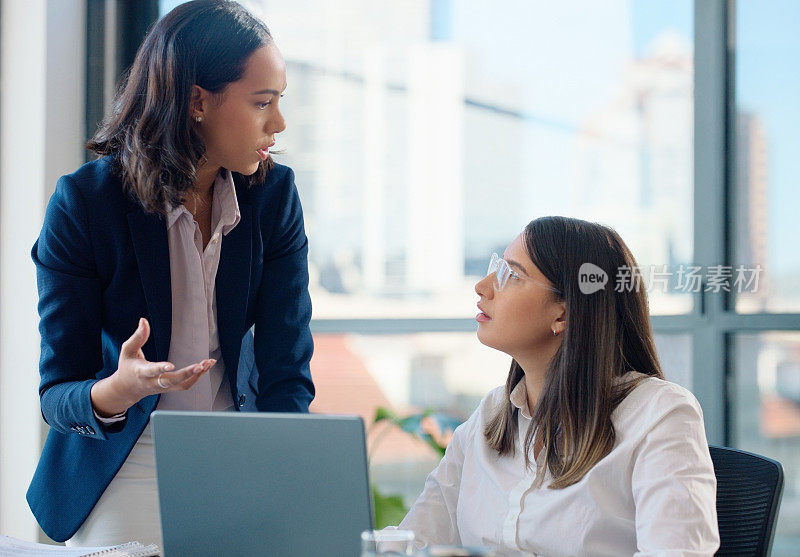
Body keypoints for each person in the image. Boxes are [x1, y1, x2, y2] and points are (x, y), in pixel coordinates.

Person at [26, 0, 314, 547]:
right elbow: (57, 391)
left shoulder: (273, 197)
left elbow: (286, 370)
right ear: (197, 101)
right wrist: (116, 390)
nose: (278, 123)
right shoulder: (85, 204)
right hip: (122, 458)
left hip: (236, 451)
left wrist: (282, 482)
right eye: (262, 103)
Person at [396, 217, 720, 555]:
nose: (483, 286)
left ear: (563, 315)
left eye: (512, 275)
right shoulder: (490, 417)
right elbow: (412, 541)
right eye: (496, 267)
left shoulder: (660, 415)